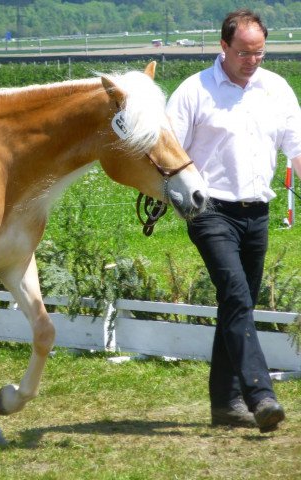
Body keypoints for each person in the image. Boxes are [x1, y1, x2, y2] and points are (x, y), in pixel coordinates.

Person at [166, 9, 301, 433]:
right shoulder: (194, 92)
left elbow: (296, 148)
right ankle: (260, 395)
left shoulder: (276, 90)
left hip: (257, 212)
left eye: (259, 53)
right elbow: (167, 152)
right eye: (244, 52)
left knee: (236, 303)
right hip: (210, 211)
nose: (252, 60)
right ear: (223, 46)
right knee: (238, 296)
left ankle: (224, 405)